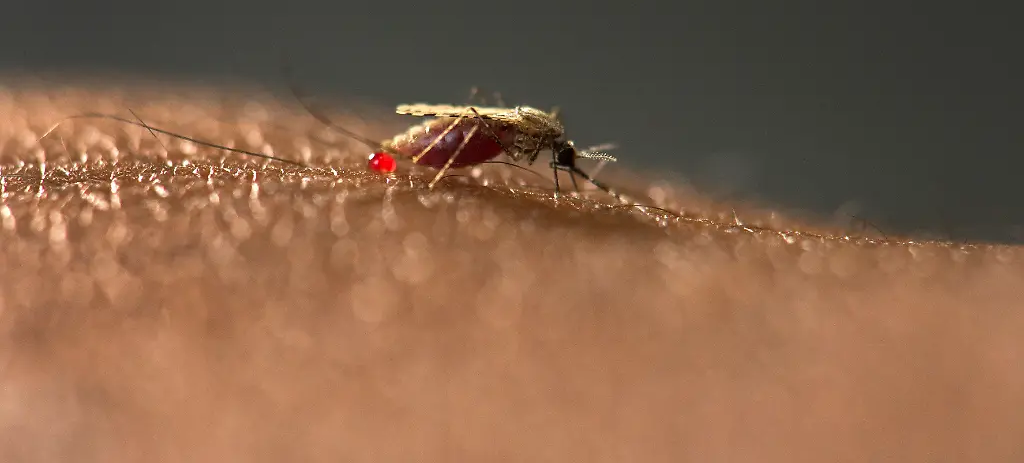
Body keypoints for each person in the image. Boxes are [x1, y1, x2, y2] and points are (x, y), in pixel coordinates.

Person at [1, 80, 1022, 462]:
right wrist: (423, 150)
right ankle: (389, 165)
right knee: (442, 156)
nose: (560, 167)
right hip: (454, 134)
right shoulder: (516, 140)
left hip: (475, 131)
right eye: (562, 161)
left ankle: (393, 163)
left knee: (459, 156)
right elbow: (493, 137)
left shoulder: (531, 144)